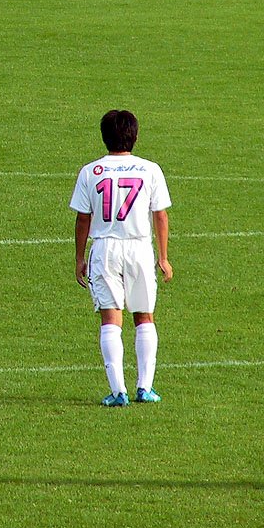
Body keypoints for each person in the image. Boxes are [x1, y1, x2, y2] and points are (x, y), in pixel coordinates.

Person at [69, 109, 172, 407]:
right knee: (144, 315)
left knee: (110, 319)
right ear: (135, 136)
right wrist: (163, 257)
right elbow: (160, 215)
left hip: (105, 250)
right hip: (139, 249)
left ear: (104, 137)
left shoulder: (91, 171)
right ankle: (145, 388)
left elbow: (83, 218)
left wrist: (79, 258)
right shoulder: (150, 169)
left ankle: (118, 392)